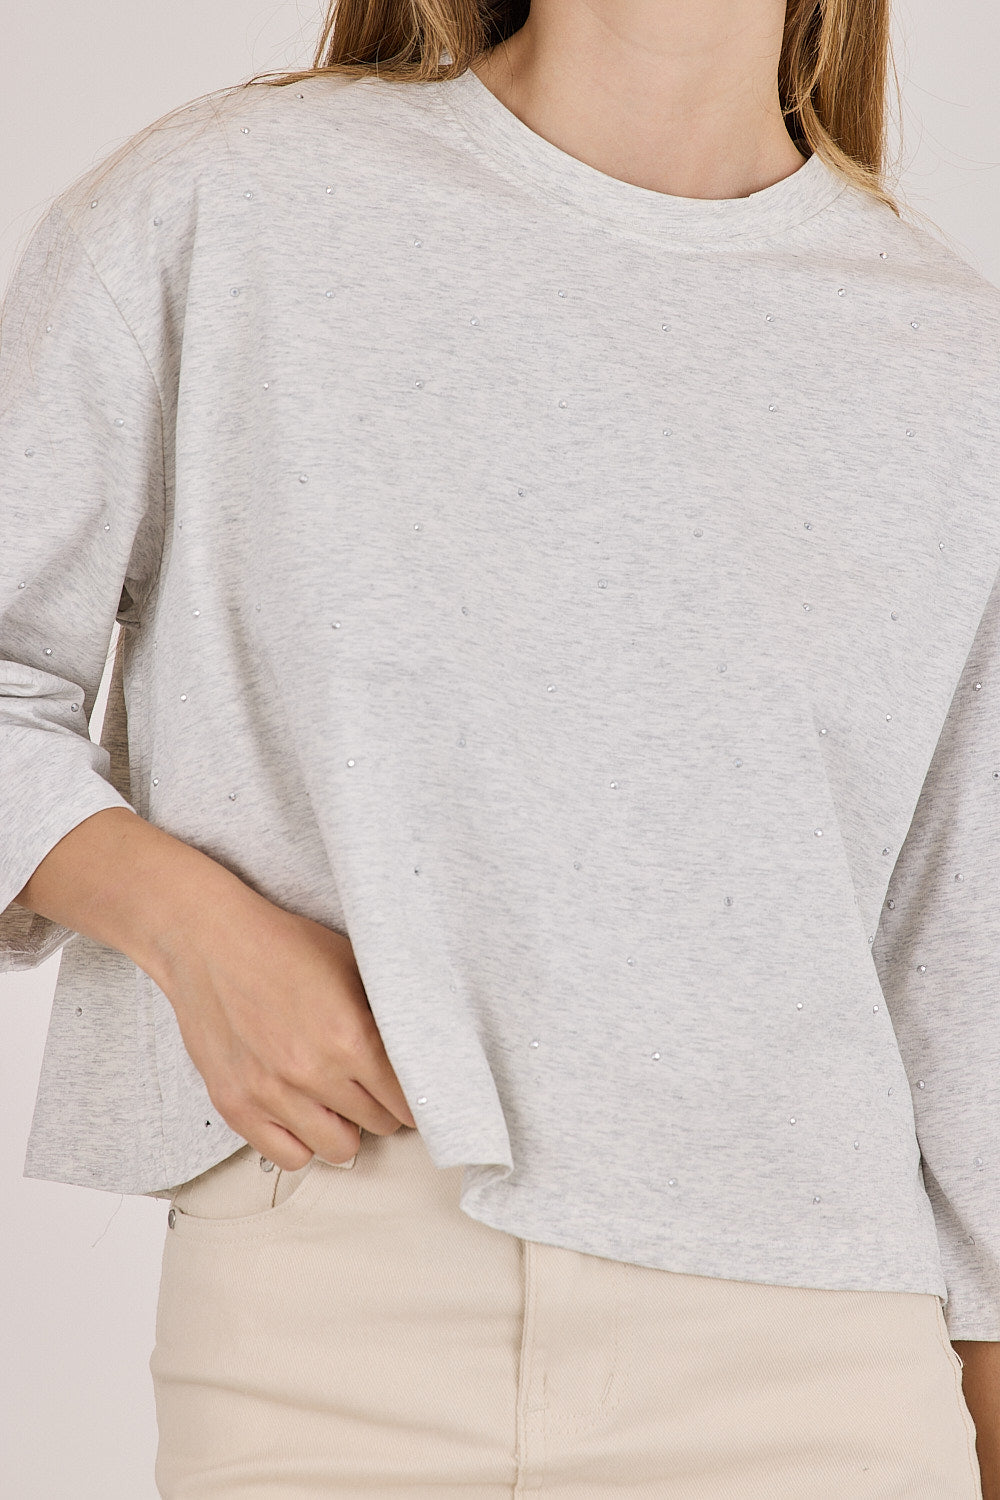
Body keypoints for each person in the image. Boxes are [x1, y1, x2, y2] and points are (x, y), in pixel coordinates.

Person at [2, 0, 998, 1494]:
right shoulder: (234, 205)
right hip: (333, 1306)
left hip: (823, 1353)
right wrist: (190, 927)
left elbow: (967, 955)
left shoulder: (949, 355)